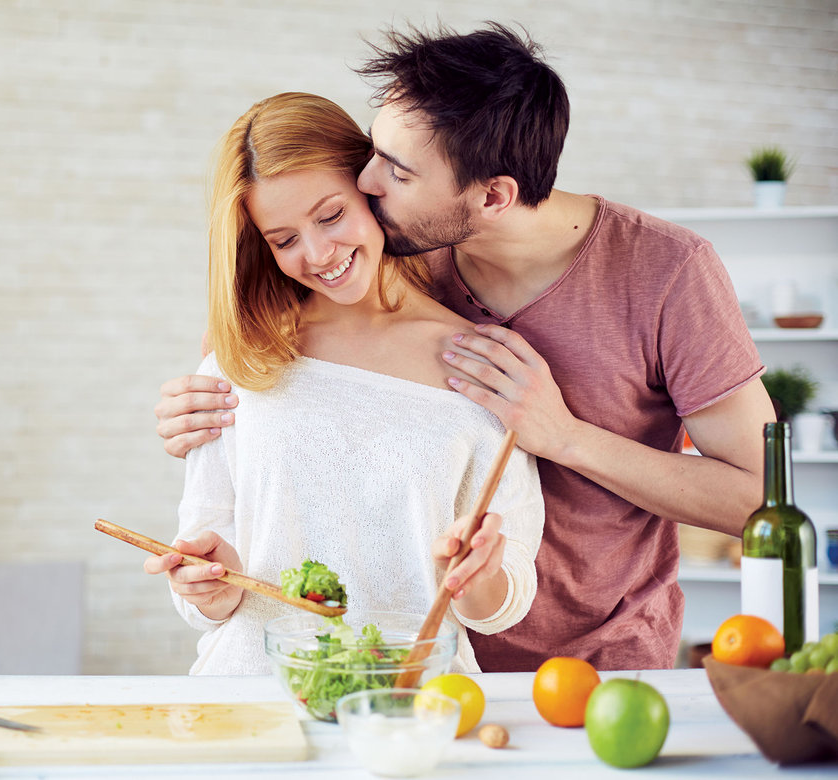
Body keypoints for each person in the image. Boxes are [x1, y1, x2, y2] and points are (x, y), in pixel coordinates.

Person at [154, 24, 775, 672]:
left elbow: (760, 501)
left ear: (492, 196)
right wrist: (198, 395)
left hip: (592, 654)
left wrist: (564, 436)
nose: (366, 179)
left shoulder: (667, 273)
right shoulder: (396, 246)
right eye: (373, 151)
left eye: (395, 170)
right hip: (430, 668)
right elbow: (262, 343)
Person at [144, 91, 545, 675]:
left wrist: (480, 579)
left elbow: (505, 603)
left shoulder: (482, 367)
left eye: (331, 215)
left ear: (372, 185)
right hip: (253, 696)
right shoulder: (241, 363)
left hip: (412, 703)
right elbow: (207, 590)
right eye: (283, 240)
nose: (318, 253)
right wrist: (209, 584)